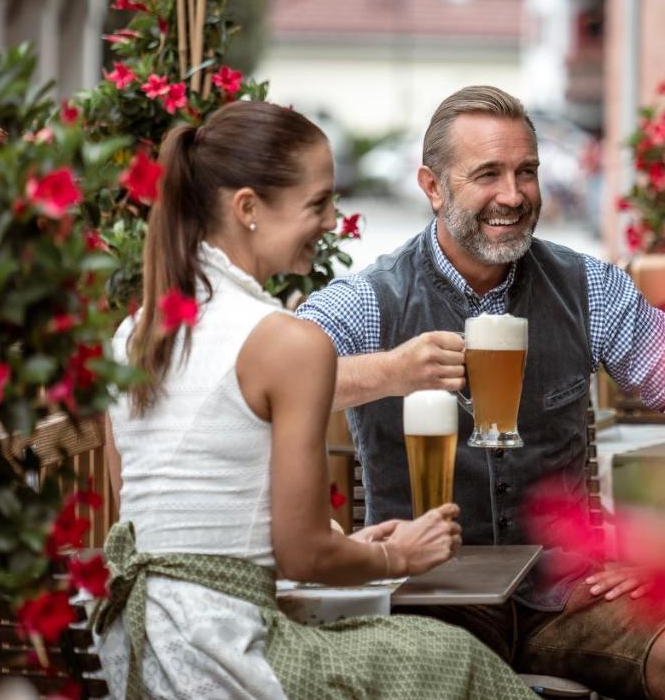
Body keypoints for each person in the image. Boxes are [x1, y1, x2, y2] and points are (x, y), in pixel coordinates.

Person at [297, 86, 665, 700]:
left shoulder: (586, 286)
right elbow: (267, 385)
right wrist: (391, 372)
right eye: (488, 174)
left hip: (569, 597)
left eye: (526, 172)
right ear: (433, 187)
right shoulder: (371, 301)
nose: (513, 196)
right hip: (427, 600)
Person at [96, 101, 532, 699]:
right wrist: (394, 556)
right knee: (454, 657)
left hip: (139, 646)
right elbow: (302, 554)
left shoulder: (135, 333)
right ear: (247, 208)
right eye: (318, 203)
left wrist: (348, 546)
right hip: (226, 656)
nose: (332, 221)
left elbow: (168, 526)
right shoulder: (284, 341)